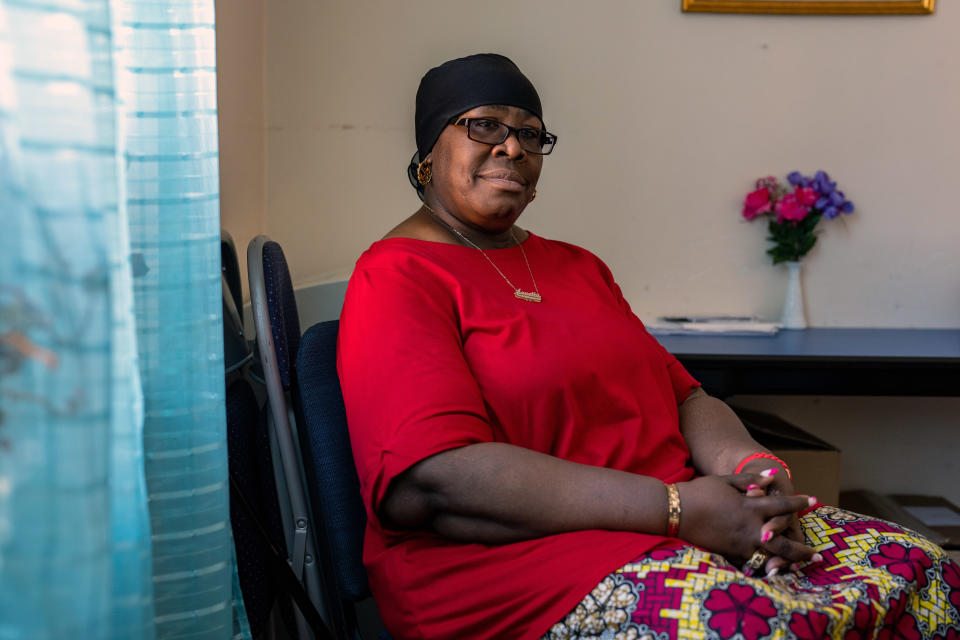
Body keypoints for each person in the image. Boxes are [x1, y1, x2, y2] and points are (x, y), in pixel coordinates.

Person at [336, 53, 959, 640]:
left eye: (532, 135)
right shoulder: (396, 276)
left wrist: (752, 474)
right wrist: (677, 510)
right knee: (753, 623)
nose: (512, 147)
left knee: (922, 568)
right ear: (427, 153)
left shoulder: (576, 267)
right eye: (484, 126)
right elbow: (437, 478)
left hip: (672, 518)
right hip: (511, 564)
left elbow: (685, 395)